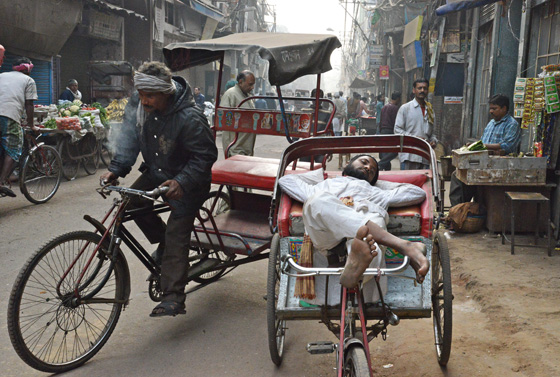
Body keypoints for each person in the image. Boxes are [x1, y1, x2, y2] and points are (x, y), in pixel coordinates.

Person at [99, 61, 218, 317]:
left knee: (178, 231)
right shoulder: (138, 103)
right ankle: (164, 246)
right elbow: (129, 139)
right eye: (141, 95)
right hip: (157, 171)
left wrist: (182, 182)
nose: (144, 101)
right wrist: (116, 169)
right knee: (132, 203)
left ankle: (173, 296)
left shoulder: (190, 117)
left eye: (150, 96)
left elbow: (205, 157)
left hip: (190, 179)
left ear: (167, 92)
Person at [278, 154, 429, 300]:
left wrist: (380, 183)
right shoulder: (324, 185)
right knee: (316, 201)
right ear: (347, 164)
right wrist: (319, 176)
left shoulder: (378, 192)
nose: (369, 167)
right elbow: (286, 181)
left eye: (373, 170)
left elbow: (418, 193)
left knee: (370, 239)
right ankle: (403, 246)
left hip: (364, 232)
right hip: (328, 238)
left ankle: (355, 266)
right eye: (364, 162)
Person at [449, 94, 520, 206]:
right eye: (490, 108)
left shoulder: (512, 124)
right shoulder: (491, 123)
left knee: (472, 181)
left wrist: (483, 146)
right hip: (482, 163)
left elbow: (507, 146)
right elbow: (483, 141)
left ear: (504, 108)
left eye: (494, 109)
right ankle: (458, 211)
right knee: (457, 175)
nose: (491, 111)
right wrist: (473, 146)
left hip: (499, 165)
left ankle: (467, 210)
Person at [0, 57, 37, 198]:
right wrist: (31, 125)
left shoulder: (1, 75)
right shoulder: (29, 81)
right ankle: (1, 182)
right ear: (28, 69)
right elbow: (29, 104)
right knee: (15, 149)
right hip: (8, 116)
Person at [394, 78, 437, 170]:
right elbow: (397, 130)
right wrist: (415, 138)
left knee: (424, 184)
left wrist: (433, 141)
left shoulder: (430, 110)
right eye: (419, 88)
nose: (422, 90)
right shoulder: (405, 108)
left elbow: (432, 133)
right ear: (414, 90)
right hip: (409, 156)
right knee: (407, 184)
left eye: (425, 88)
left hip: (424, 155)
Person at [220, 70, 256, 157]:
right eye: (250, 84)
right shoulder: (230, 94)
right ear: (240, 82)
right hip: (235, 148)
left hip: (246, 147)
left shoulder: (248, 96)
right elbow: (224, 118)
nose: (252, 87)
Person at [378, 92, 402, 171]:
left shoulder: (384, 107)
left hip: (383, 131)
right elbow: (396, 122)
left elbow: (381, 120)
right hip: (390, 131)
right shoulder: (395, 108)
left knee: (385, 152)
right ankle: (380, 164)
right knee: (394, 151)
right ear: (398, 99)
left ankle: (384, 167)